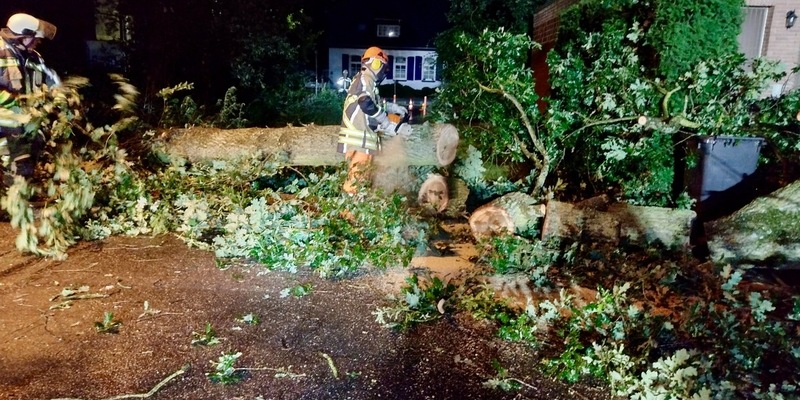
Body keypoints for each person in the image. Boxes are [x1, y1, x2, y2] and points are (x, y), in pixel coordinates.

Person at [337, 46, 411, 195]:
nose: (384, 73)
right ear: (376, 64)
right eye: (383, 68)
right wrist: (386, 124)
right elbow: (365, 103)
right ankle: (350, 213)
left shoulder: (364, 80)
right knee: (357, 179)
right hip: (359, 138)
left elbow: (373, 102)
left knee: (362, 177)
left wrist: (392, 108)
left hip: (363, 138)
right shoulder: (365, 79)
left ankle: (357, 210)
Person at [0, 13, 59, 183]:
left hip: (23, 123)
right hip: (6, 122)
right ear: (22, 37)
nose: (38, 42)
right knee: (17, 163)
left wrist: (61, 96)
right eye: (35, 38)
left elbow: (52, 81)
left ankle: (18, 188)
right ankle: (15, 195)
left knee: (35, 144)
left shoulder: (34, 57)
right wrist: (15, 105)